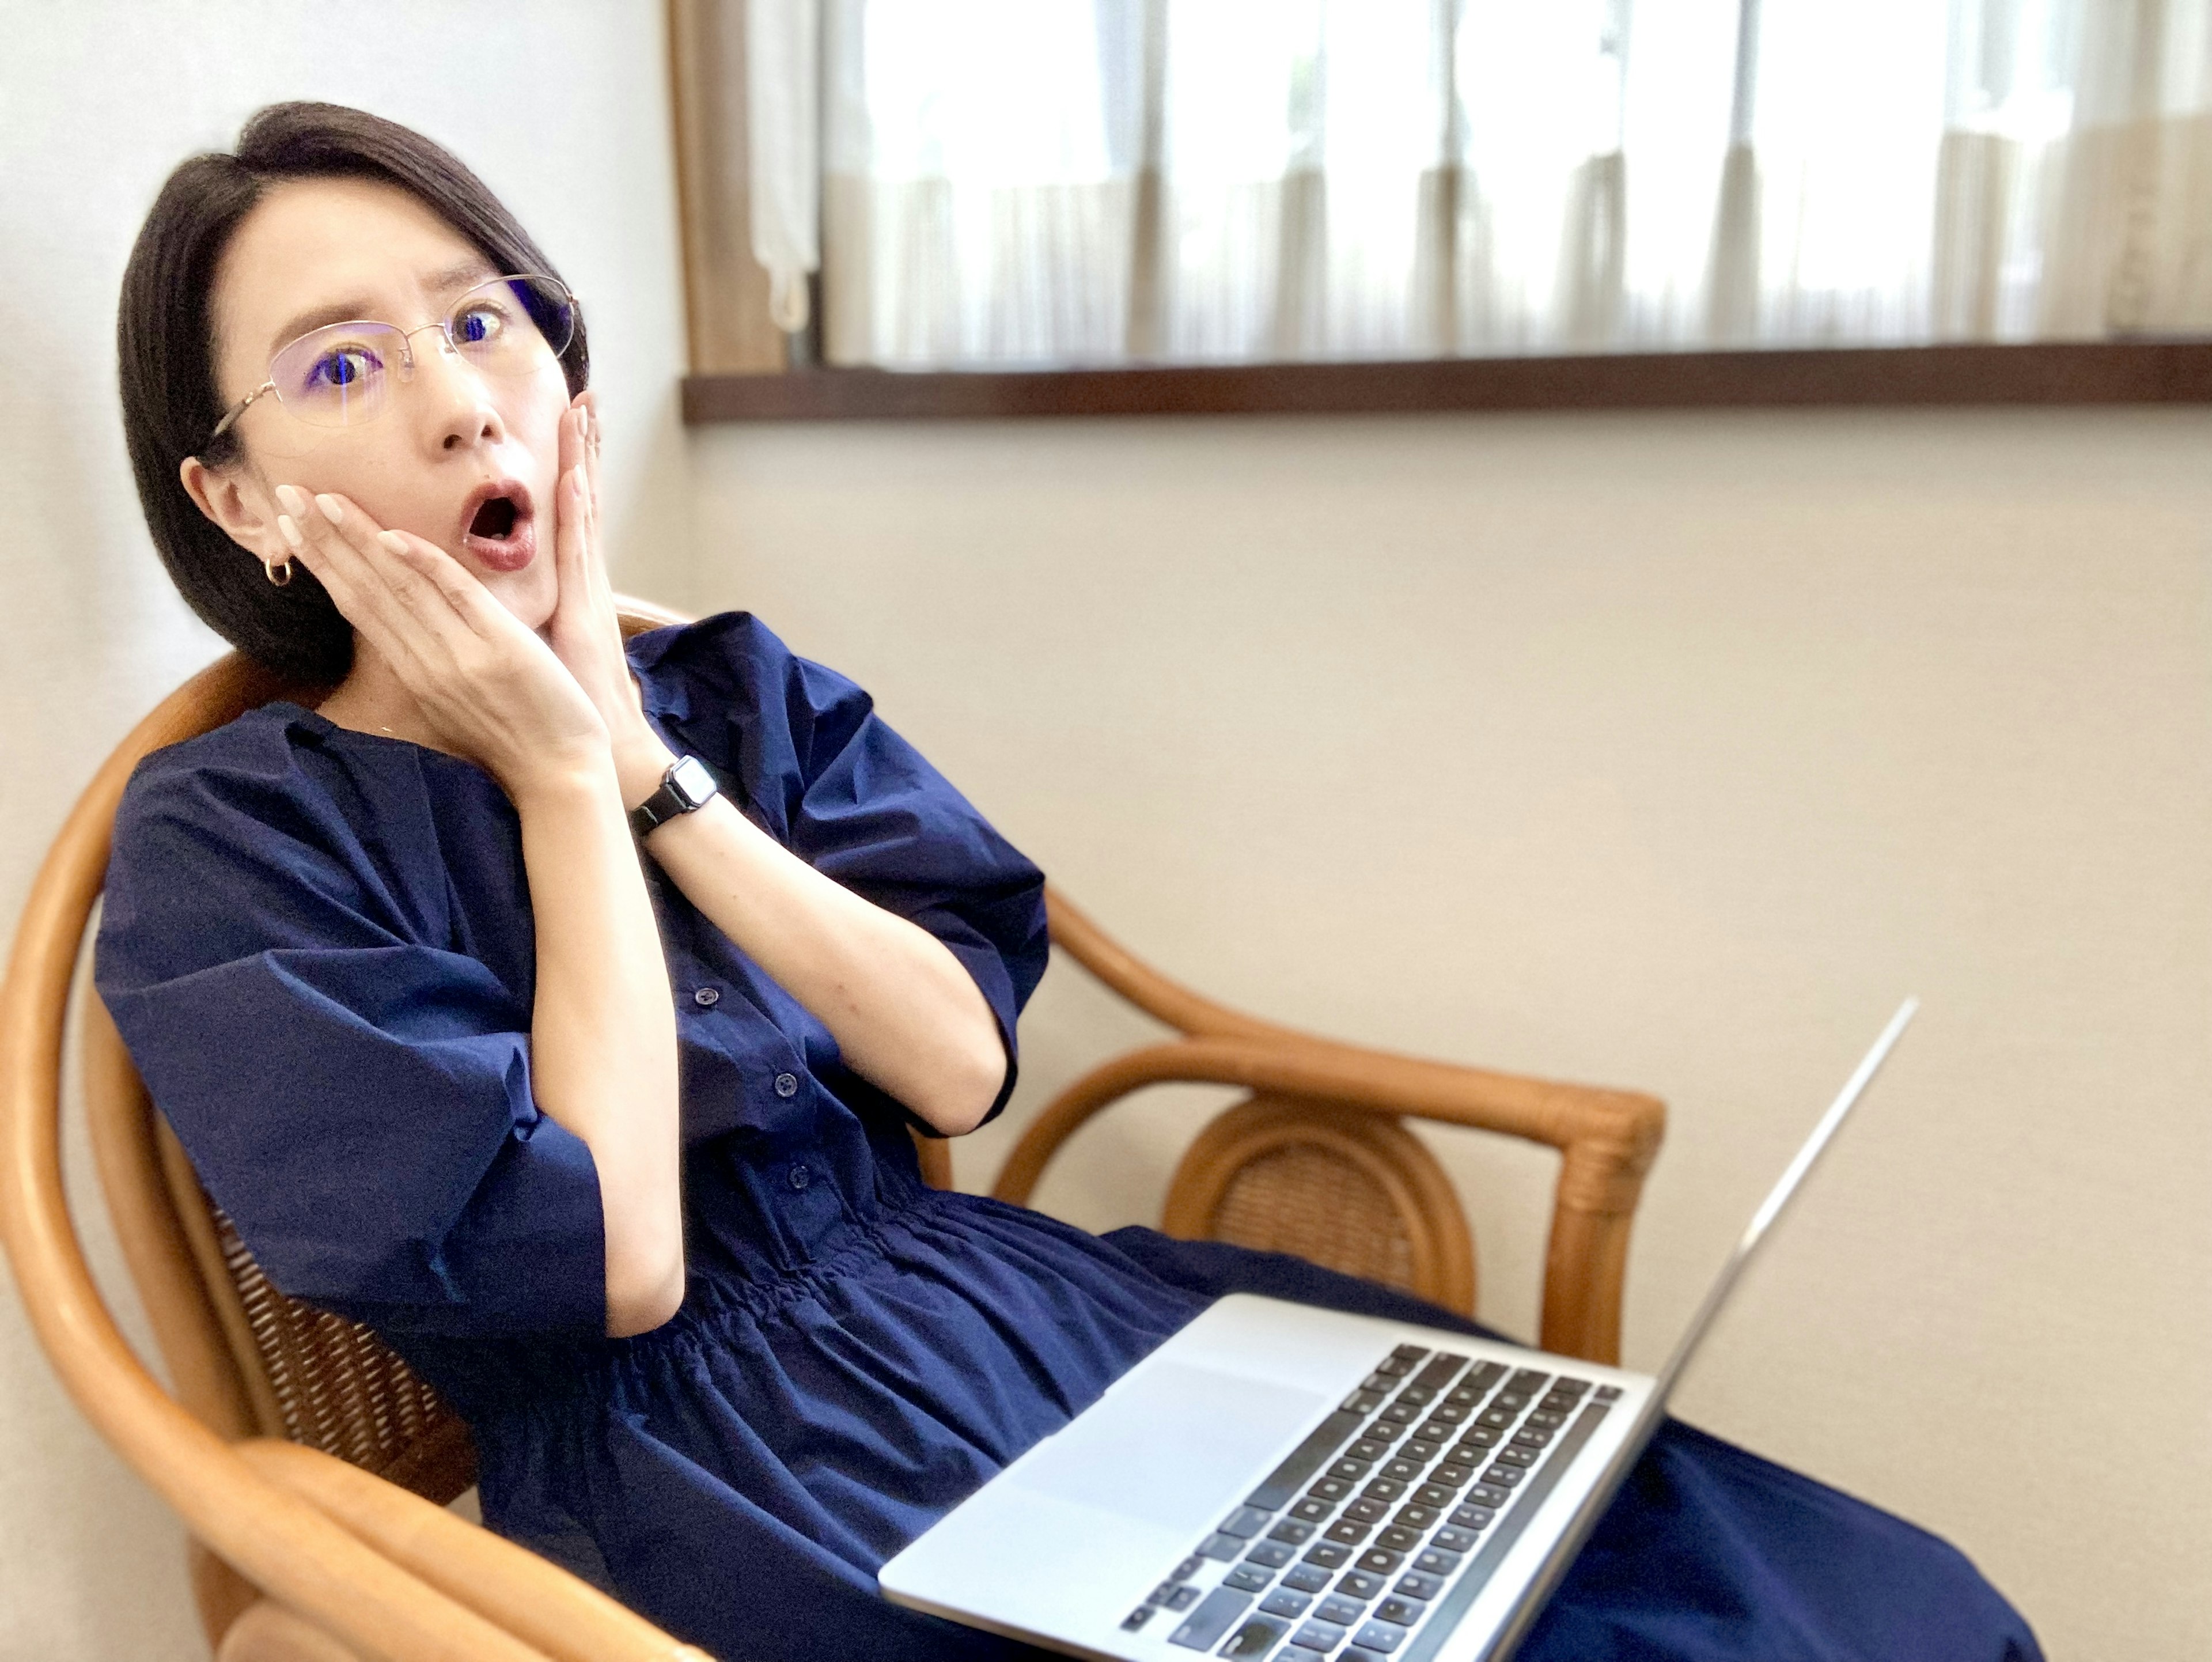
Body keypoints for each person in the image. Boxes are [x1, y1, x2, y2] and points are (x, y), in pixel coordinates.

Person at [94, 103, 2039, 1662]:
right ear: (241, 499)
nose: (455, 399)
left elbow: (954, 1071)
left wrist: (643, 763)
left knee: (1858, 1603)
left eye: (480, 316)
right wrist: (543, 778)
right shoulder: (228, 843)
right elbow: (620, 1264)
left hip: (1018, 1312)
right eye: (341, 366)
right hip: (716, 1479)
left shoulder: (731, 691)